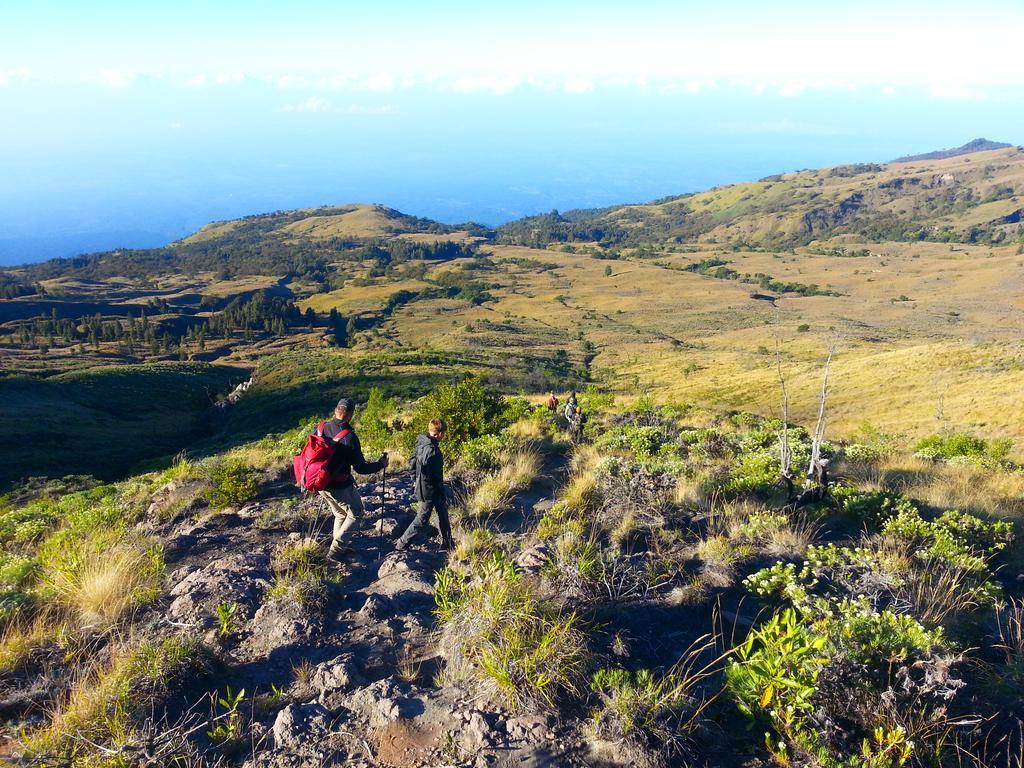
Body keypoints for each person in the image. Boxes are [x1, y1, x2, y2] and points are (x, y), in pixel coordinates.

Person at [317, 398, 388, 561]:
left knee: (341, 514)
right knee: (356, 513)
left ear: (336, 410)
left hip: (321, 483)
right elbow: (361, 468)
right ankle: (335, 551)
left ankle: (340, 547)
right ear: (350, 415)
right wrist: (380, 464)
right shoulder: (349, 437)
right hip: (340, 486)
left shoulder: (321, 428)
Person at [395, 418, 453, 551]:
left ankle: (448, 543)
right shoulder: (432, 450)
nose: (444, 436)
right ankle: (402, 544)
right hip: (430, 489)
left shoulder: (421, 442)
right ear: (438, 433)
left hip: (424, 486)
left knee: (442, 513)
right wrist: (438, 488)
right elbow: (434, 474)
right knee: (422, 518)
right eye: (443, 433)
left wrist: (414, 480)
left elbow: (412, 463)